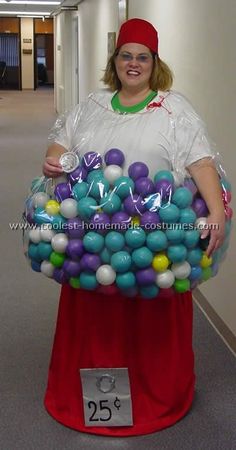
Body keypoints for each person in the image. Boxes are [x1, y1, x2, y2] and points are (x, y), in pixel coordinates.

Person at [42, 18, 225, 436]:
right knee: (96, 315)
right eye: (126, 55)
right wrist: (54, 161)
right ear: (115, 60)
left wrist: (215, 211)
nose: (134, 63)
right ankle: (92, 396)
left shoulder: (174, 109)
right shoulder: (91, 105)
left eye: (143, 57)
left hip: (156, 238)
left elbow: (200, 162)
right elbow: (62, 147)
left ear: (154, 63)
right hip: (91, 239)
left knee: (148, 316)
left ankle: (154, 396)